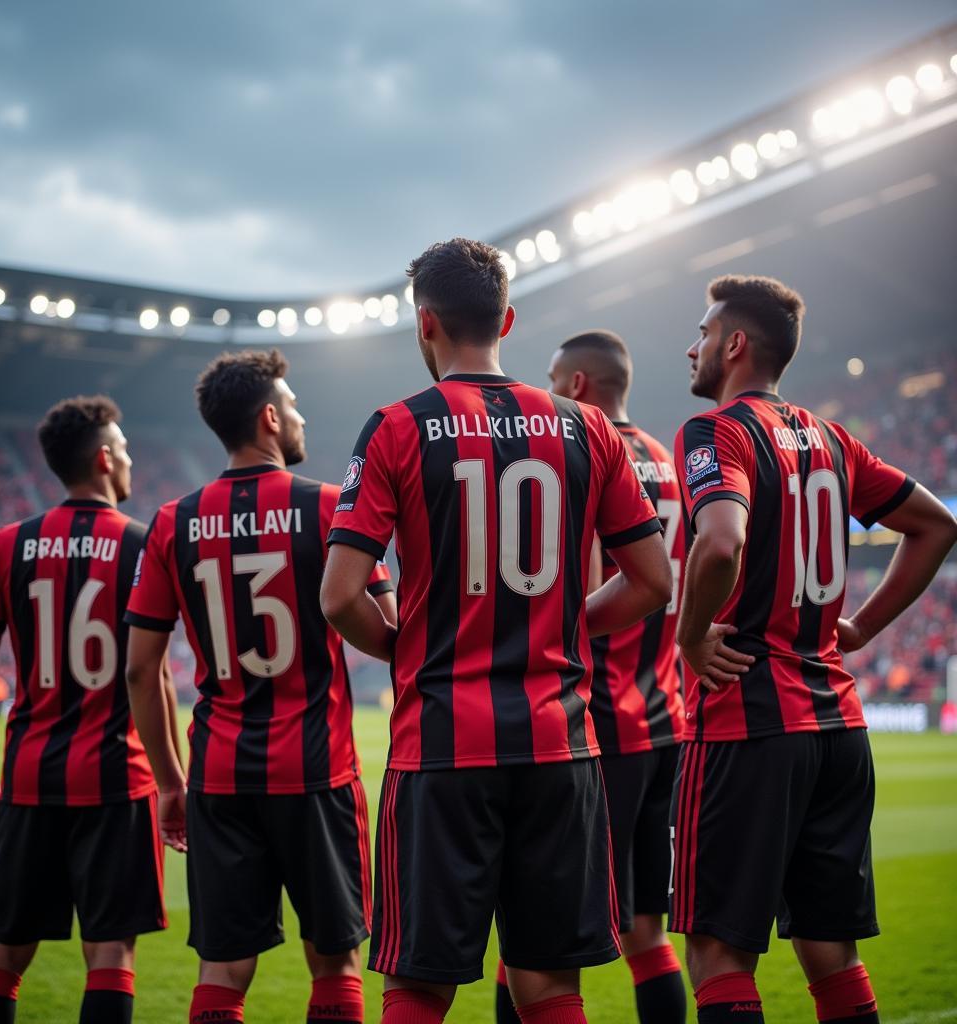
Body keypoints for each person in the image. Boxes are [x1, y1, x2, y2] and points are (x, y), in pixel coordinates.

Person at [320, 238, 673, 1024]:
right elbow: (654, 581)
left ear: (425, 324)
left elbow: (341, 596)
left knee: (419, 985)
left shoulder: (395, 427)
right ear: (506, 318)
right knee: (549, 986)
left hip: (441, 745)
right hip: (561, 743)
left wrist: (402, 644)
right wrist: (569, 630)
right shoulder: (588, 427)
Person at [670, 274, 957, 1024]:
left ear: (734, 344)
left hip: (748, 724)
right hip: (839, 727)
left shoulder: (715, 431)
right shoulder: (831, 438)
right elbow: (936, 526)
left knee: (718, 951)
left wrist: (689, 634)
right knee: (831, 951)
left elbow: (721, 538)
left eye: (702, 333)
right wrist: (859, 628)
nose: (690, 346)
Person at [125, 348, 396, 1024]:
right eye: (295, 404)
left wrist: (167, 782)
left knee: (223, 968)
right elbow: (389, 630)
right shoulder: (331, 507)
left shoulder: (171, 521)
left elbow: (138, 668)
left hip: (219, 774)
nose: (302, 416)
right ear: (270, 417)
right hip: (317, 771)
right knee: (334, 961)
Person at [0, 396, 171, 1024]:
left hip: (30, 778)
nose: (130, 461)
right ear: (104, 459)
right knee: (110, 953)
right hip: (115, 778)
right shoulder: (142, 544)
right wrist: (172, 780)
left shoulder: (6, 544)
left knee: (3, 951)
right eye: (125, 450)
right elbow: (145, 671)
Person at [494, 329, 681, 1024]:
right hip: (665, 718)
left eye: (550, 377)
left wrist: (558, 627)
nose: (543, 389)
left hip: (592, 724)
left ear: (576, 386)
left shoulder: (574, 450)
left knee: (529, 934)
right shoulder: (667, 459)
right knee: (647, 934)